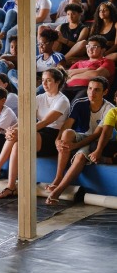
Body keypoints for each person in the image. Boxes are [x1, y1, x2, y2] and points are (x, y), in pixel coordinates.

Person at [0, 68, 71, 199]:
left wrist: (19, 131)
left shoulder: (62, 100)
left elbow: (44, 122)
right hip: (37, 131)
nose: (44, 84)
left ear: (58, 82)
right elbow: (26, 118)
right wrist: (12, 129)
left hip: (52, 135)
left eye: (48, 80)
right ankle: (11, 186)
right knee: (16, 144)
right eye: (43, 80)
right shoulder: (39, 97)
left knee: (17, 135)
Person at [46, 77, 113, 205]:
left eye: (97, 90)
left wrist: (75, 146)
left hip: (96, 141)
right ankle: (58, 177)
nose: (91, 93)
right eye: (90, 89)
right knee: (67, 133)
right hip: (81, 136)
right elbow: (67, 124)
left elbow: (96, 135)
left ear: (105, 92)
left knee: (80, 157)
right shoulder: (79, 103)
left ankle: (58, 191)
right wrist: (57, 140)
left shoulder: (109, 108)